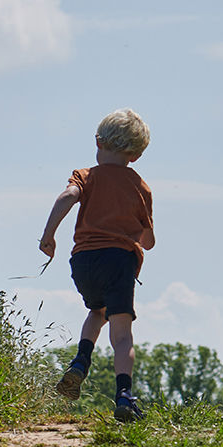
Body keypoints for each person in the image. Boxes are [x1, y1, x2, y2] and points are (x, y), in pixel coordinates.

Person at [38, 108, 154, 422]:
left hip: (84, 262)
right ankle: (124, 396)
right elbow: (148, 241)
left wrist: (48, 235)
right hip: (119, 260)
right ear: (137, 155)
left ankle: (80, 361)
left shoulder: (85, 176)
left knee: (96, 311)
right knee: (122, 333)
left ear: (98, 141)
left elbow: (67, 196)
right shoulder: (140, 188)